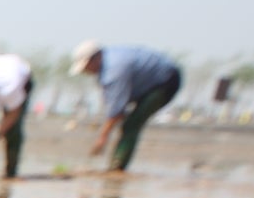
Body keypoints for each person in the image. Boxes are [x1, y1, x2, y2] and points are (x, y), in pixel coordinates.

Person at [72, 42, 182, 172]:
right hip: (147, 84)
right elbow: (113, 103)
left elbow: (116, 111)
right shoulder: (108, 61)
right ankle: (117, 163)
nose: (86, 71)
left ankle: (117, 167)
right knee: (127, 123)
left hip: (165, 82)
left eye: (86, 67)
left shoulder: (114, 70)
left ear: (95, 59)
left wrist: (102, 138)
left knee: (131, 124)